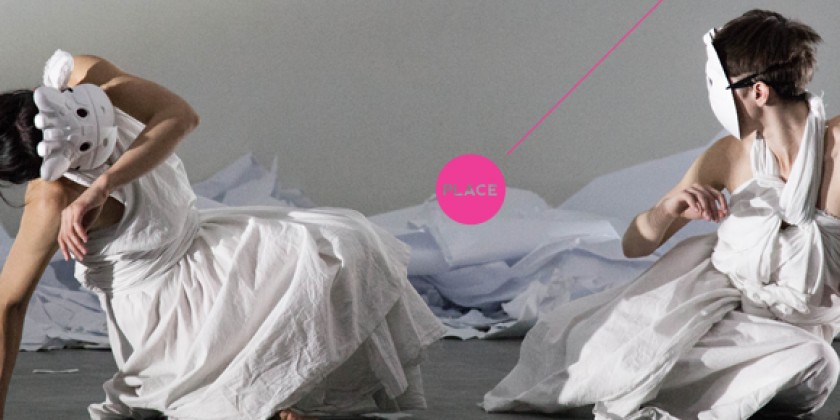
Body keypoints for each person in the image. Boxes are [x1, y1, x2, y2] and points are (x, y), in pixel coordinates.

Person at [0, 49, 447, 419]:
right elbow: (179, 114)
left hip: (187, 286)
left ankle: (259, 396)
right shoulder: (84, 81)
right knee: (336, 248)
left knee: (344, 246)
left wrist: (102, 185)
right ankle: (263, 397)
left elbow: (9, 305)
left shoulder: (55, 186)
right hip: (177, 297)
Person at [483, 9, 840, 419]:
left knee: (816, 363)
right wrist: (668, 209)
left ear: (758, 92)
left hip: (796, 336)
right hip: (719, 312)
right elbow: (635, 244)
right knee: (596, 349)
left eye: (720, 85)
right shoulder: (730, 155)